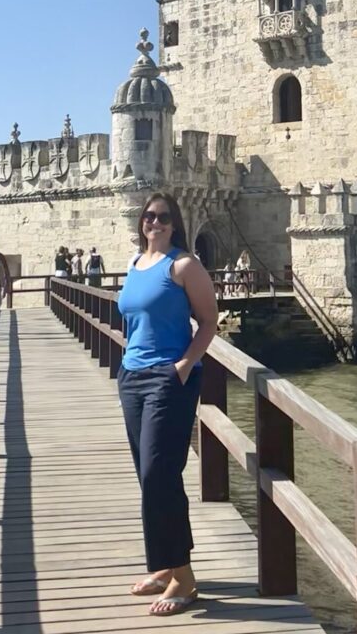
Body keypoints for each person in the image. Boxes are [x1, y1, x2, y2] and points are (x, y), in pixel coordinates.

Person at [117, 192, 218, 617]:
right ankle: (163, 564)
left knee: (160, 471)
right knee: (149, 475)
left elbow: (210, 321)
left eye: (162, 217)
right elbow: (133, 320)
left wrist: (183, 365)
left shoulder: (184, 266)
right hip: (132, 377)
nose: (154, 223)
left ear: (174, 224)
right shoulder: (134, 265)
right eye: (148, 216)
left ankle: (184, 576)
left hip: (168, 380)